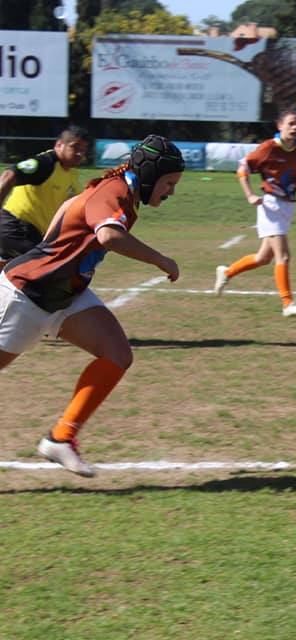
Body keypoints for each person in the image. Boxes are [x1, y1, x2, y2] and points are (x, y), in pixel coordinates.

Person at [0, 135, 184, 477]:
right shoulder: (114, 190)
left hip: (66, 294)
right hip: (29, 294)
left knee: (117, 354)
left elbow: (65, 215)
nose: (171, 192)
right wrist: (161, 260)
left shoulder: (121, 193)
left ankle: (61, 438)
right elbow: (108, 236)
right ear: (150, 174)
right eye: (169, 183)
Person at [214, 110, 296, 317]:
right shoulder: (268, 148)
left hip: (288, 206)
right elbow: (243, 168)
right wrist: (249, 195)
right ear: (280, 125)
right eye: (291, 124)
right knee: (283, 255)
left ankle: (227, 272)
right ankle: (287, 303)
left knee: (263, 258)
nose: (295, 128)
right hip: (270, 206)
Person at [0, 126, 90, 267]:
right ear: (59, 145)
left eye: (83, 149)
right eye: (75, 147)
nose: (79, 153)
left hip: (35, 235)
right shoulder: (46, 163)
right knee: (47, 269)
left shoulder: (72, 175)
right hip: (16, 228)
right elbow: (8, 175)